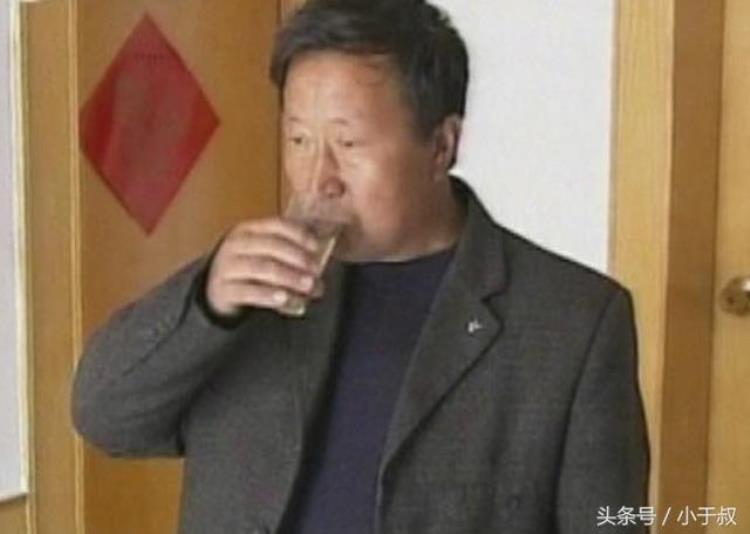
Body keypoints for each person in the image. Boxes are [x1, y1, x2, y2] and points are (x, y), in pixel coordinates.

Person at [72, 1, 649, 533]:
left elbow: (613, 522)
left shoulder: (573, 322)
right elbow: (104, 419)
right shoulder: (248, 293)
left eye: (348, 145)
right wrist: (209, 305)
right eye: (299, 140)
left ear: (441, 146)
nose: (317, 178)